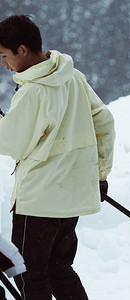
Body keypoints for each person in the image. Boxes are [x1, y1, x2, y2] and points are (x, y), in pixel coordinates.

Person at [0, 15, 115, 299]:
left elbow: (12, 143)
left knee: (29, 273)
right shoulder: (73, 77)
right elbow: (105, 122)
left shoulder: (34, 92)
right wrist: (100, 174)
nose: (3, 64)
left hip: (39, 200)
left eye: (4, 55)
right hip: (72, 196)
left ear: (23, 49)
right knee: (60, 269)